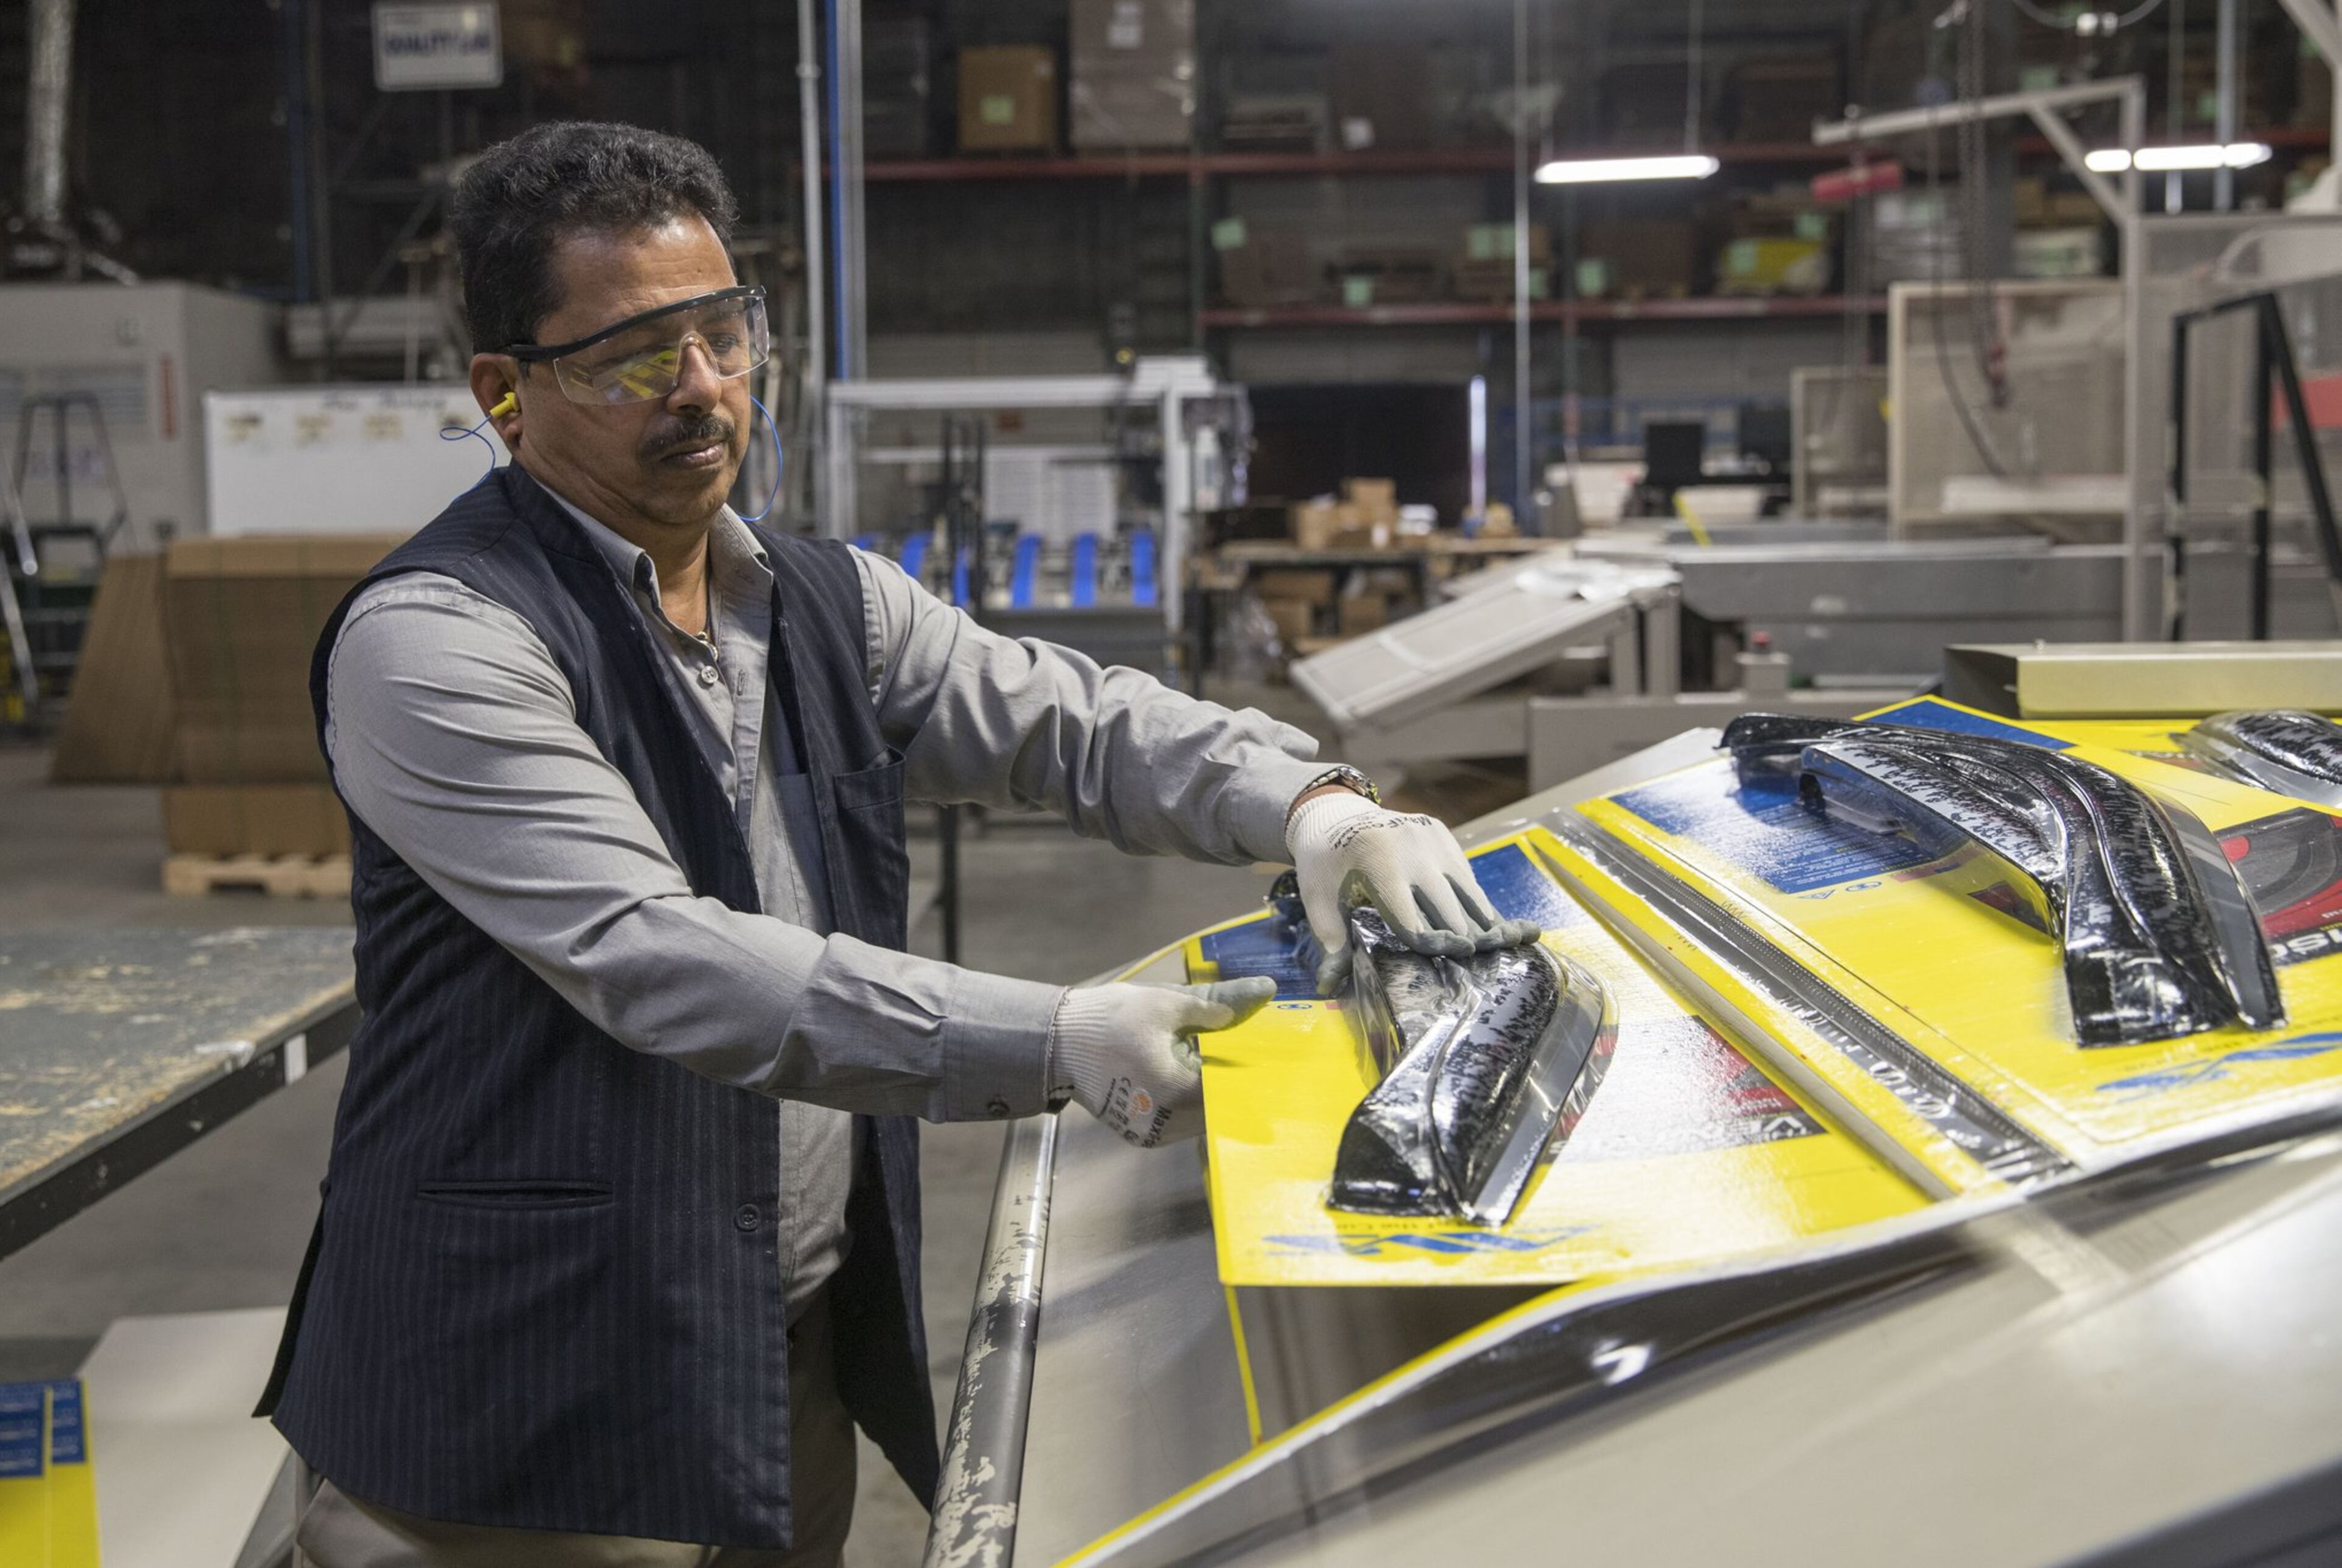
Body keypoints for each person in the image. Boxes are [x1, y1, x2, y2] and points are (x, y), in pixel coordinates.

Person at [258, 120, 1537, 1567]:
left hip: (775, 1345)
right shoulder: (439, 639)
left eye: (724, 333)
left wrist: (1314, 803)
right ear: (504, 391)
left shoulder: (818, 600)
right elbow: (656, 955)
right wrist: (1054, 1036)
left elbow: (1071, 721)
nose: (702, 390)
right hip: (523, 1384)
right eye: (632, 356)